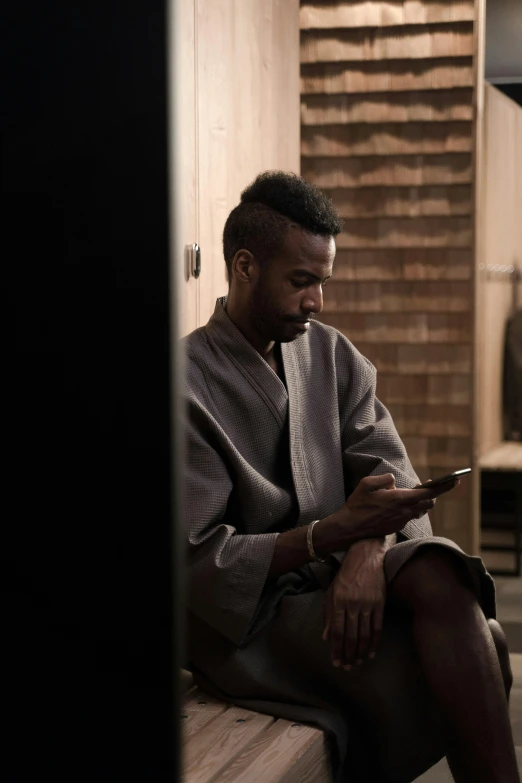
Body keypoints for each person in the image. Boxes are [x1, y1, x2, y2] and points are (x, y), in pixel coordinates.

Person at [183, 172, 519, 783]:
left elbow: (394, 480)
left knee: (441, 570)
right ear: (244, 266)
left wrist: (365, 548)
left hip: (338, 573)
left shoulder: (332, 355)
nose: (317, 302)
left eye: (324, 282)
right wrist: (330, 536)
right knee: (489, 642)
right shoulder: (186, 384)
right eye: (302, 281)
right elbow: (201, 564)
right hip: (251, 618)